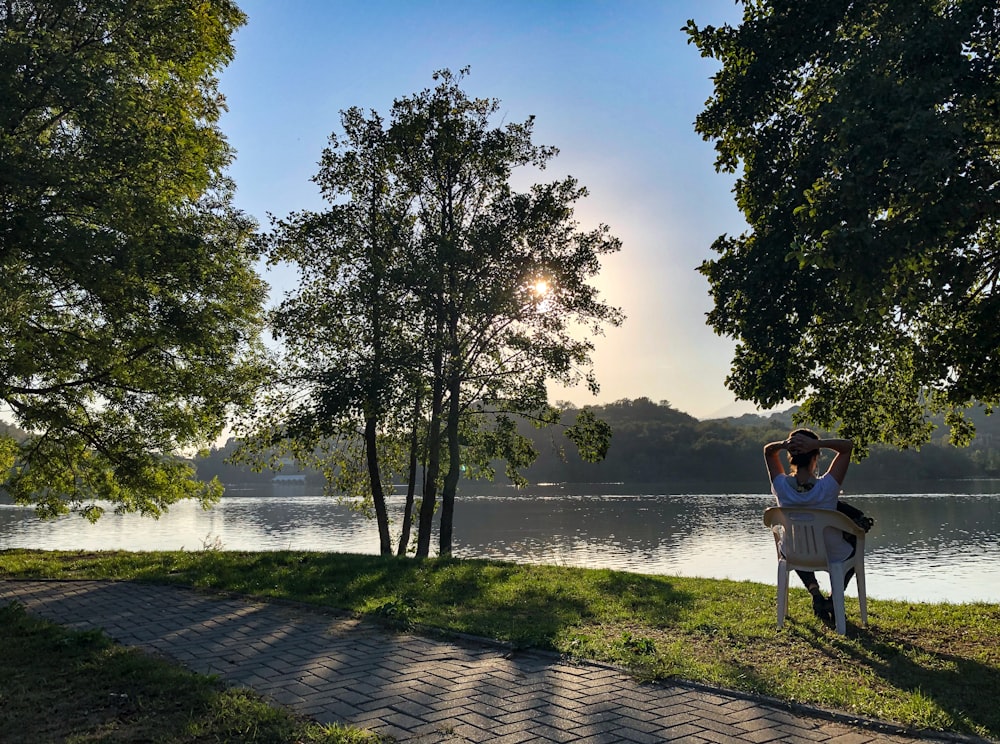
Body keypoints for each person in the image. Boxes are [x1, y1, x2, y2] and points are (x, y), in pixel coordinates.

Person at [763, 428, 866, 622]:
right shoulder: (828, 486)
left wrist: (785, 445)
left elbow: (768, 451)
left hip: (794, 553)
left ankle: (815, 593)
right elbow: (847, 447)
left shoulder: (781, 486)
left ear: (790, 457)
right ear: (816, 456)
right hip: (832, 555)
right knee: (855, 546)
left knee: (795, 543)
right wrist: (817, 444)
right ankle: (834, 598)